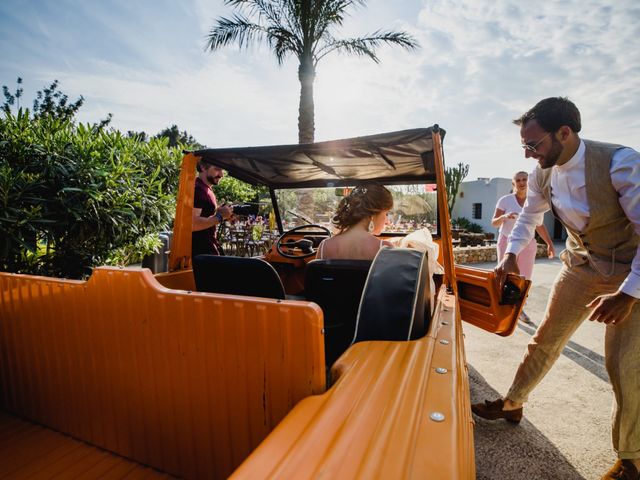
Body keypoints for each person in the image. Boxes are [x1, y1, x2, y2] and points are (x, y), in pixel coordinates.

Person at [471, 97, 640, 480]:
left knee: (624, 365)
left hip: (632, 271)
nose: (530, 154)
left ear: (566, 132)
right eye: (524, 147)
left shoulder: (622, 163)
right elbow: (529, 215)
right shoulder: (541, 174)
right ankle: (513, 403)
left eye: (535, 144)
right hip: (581, 266)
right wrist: (511, 253)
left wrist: (630, 293)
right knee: (546, 337)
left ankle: (631, 458)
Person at [492, 170, 555, 322]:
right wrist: (504, 217)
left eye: (524, 179)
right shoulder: (505, 200)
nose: (522, 182)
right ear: (514, 183)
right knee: (504, 275)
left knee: (524, 278)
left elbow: (539, 225)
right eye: (518, 180)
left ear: (529, 181)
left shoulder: (535, 201)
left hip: (528, 244)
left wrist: (550, 244)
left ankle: (519, 309)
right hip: (506, 241)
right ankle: (501, 307)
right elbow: (494, 223)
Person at [317, 184, 394, 260]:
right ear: (373, 213)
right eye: (386, 213)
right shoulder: (384, 249)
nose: (387, 221)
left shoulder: (325, 246)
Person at [192, 160, 233, 257]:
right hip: (201, 252)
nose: (221, 174)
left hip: (207, 249)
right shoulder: (198, 189)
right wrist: (219, 217)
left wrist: (222, 212)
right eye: (217, 169)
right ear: (202, 167)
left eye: (222, 170)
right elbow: (192, 223)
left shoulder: (205, 188)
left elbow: (204, 215)